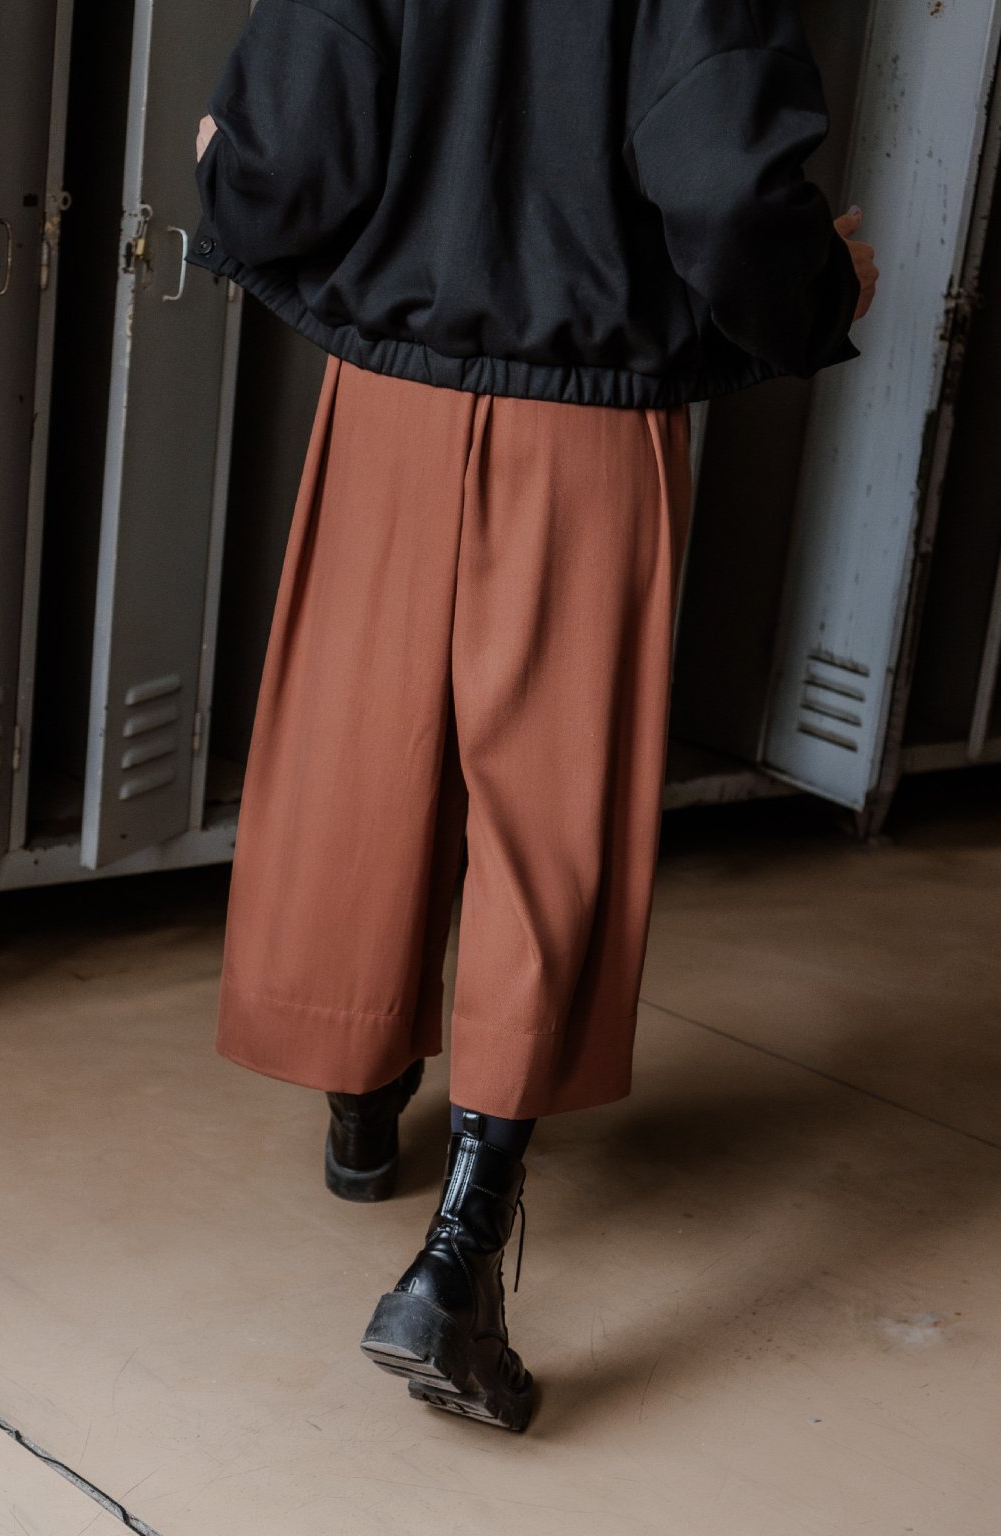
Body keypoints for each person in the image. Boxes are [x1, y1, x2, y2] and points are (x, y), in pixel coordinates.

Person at [186, 0, 878, 1433]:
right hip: (589, 416)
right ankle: (457, 1261)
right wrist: (821, 291)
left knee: (360, 761)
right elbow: (724, 177)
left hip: (388, 395)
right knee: (548, 822)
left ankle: (362, 1113)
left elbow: (295, 141)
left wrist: (226, 177)